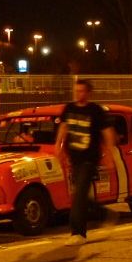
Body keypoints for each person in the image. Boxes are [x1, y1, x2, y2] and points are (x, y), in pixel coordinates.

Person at [55, 79, 116, 246]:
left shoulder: (95, 110)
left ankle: (78, 232)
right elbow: (63, 128)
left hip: (89, 159)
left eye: (82, 91)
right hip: (74, 158)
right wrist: (58, 147)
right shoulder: (69, 108)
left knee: (79, 195)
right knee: (80, 195)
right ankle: (104, 214)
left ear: (88, 93)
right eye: (77, 91)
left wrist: (110, 154)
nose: (78, 94)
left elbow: (107, 132)